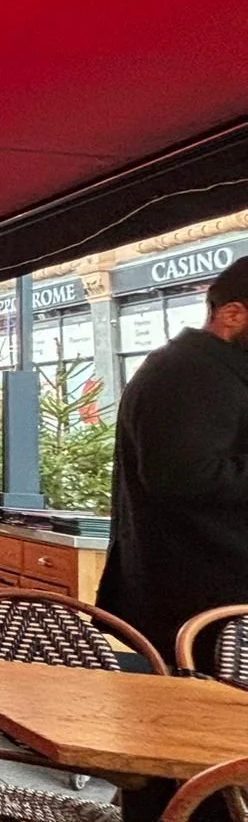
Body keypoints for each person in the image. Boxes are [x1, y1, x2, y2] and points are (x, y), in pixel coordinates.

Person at [96, 260, 248, 668]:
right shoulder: (192, 373)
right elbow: (182, 475)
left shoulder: (204, 369)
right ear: (233, 314)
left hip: (199, 597)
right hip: (204, 603)